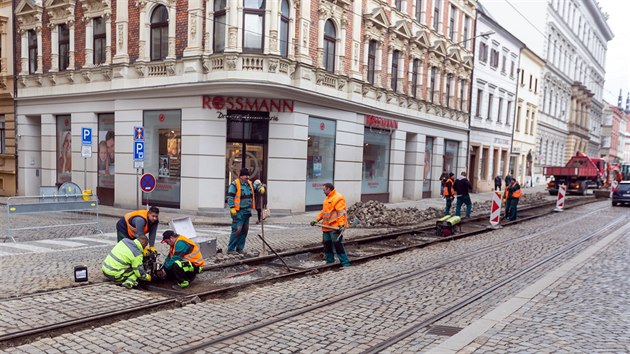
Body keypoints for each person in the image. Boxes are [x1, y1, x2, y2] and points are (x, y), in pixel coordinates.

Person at [310, 183, 350, 267]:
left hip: (335, 227)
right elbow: (323, 212)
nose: (323, 191)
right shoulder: (327, 199)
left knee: (337, 245)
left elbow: (341, 213)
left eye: (324, 190)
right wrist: (316, 219)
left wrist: (341, 224)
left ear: (329, 189)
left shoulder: (338, 198)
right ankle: (330, 263)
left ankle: (345, 263)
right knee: (327, 245)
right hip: (326, 227)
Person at [226, 168, 265, 254]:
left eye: (248, 175)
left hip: (247, 211)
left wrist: (260, 188)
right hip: (238, 212)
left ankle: (240, 248)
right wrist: (232, 207)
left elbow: (257, 187)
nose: (247, 177)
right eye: (245, 175)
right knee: (237, 230)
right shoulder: (235, 184)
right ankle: (231, 249)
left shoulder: (250, 184)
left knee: (244, 230)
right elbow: (230, 196)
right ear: (241, 176)